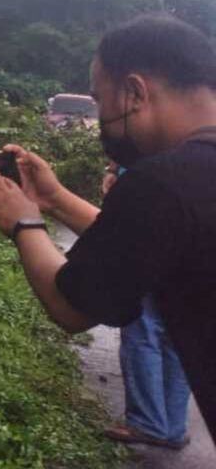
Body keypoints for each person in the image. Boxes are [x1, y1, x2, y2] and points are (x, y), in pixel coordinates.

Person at [0, 13, 216, 434]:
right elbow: (141, 241)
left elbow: (72, 308)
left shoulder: (164, 181)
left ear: (134, 92)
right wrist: (54, 199)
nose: (99, 119)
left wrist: (24, 223)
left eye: (99, 101)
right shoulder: (186, 184)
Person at [99, 162, 193, 449]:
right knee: (177, 330)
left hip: (153, 223)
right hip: (193, 226)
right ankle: (173, 427)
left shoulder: (153, 150)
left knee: (142, 323)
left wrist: (117, 173)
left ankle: (148, 423)